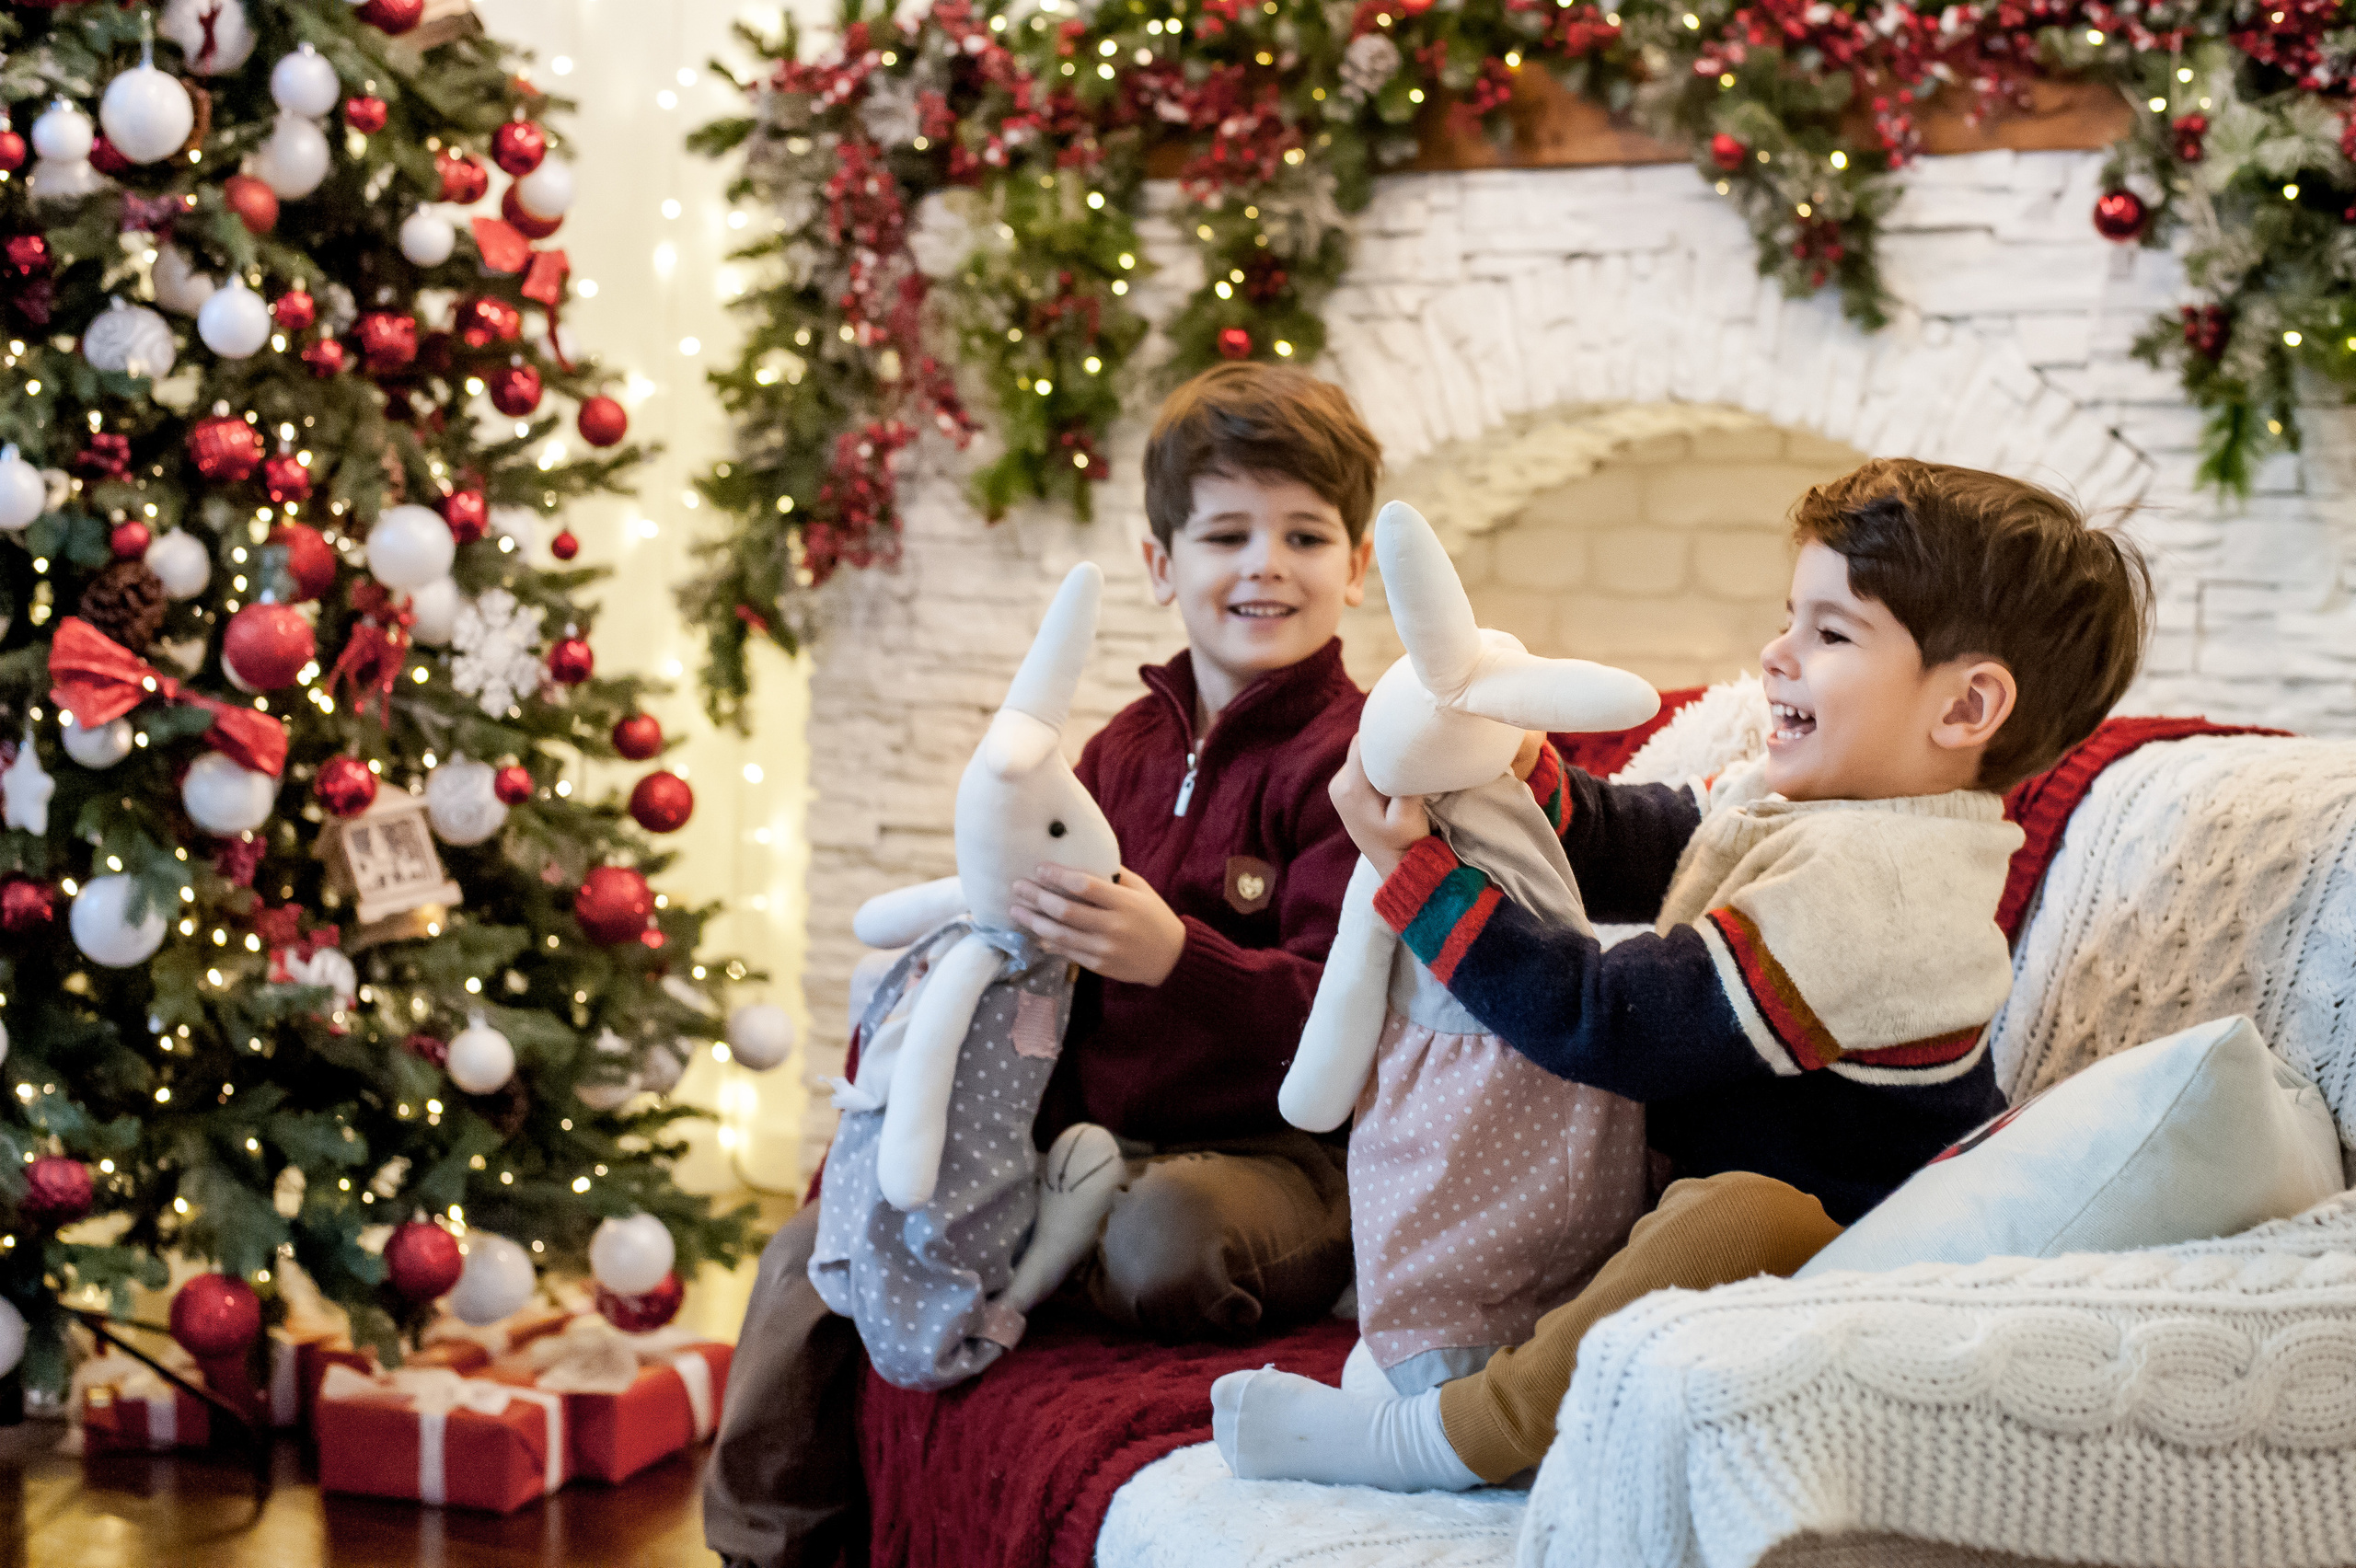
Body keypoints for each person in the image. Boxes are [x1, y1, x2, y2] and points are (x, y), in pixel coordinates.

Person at [1211, 457, 2153, 1492]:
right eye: (1790, 615)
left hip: (1843, 1242)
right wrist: (1515, 772)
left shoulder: (1881, 887)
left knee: (1737, 1212)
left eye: (1829, 634)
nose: (1776, 654)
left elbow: (1615, 1029)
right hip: (1702, 1177)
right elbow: (1646, 839)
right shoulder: (1814, 798)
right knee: (1660, 1193)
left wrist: (1419, 880)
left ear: (1965, 708)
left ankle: (1458, 1436)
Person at [706, 363, 1385, 1568]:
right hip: (1085, 1140)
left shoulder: (1354, 764)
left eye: (1305, 535)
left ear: (1359, 561)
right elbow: (1028, 976)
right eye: (1226, 533)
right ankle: (771, 1547)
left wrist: (1181, 958)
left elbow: (1352, 1013)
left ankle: (1046, 1260)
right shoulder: (1114, 752)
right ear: (1160, 563)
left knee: (1164, 1238)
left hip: (1277, 1162)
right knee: (825, 1241)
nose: (1264, 565)